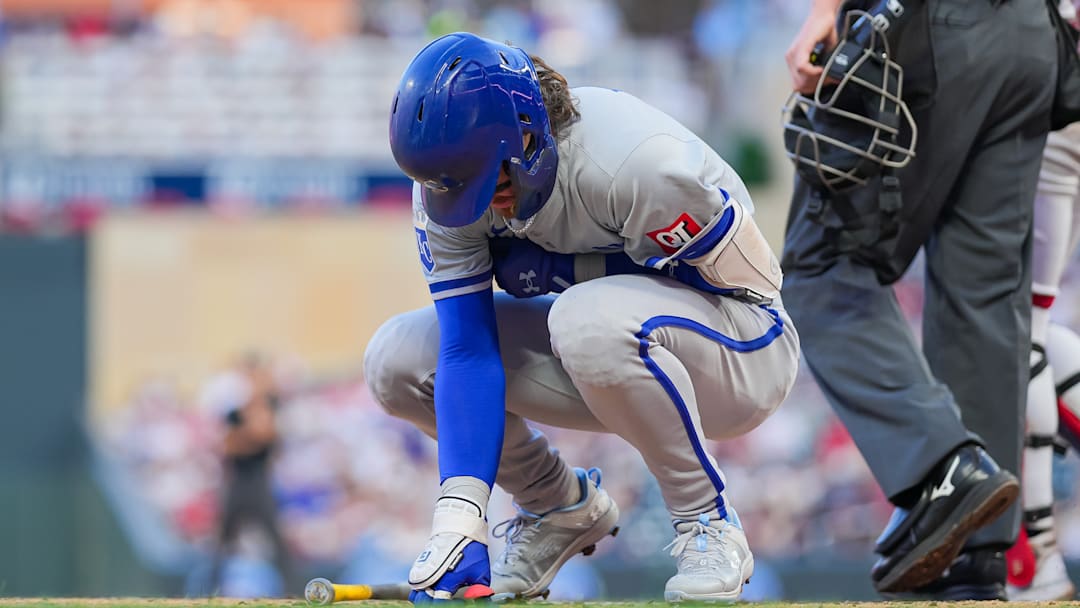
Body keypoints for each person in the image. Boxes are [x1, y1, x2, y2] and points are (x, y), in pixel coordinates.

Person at [363, 31, 801, 603]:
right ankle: (555, 507)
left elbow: (753, 289)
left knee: (585, 319)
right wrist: (460, 520)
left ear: (527, 129)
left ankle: (708, 524)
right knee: (395, 360)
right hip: (604, 350)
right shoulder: (449, 189)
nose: (467, 199)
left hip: (744, 351)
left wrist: (582, 267)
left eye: (480, 175)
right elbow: (466, 351)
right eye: (452, 185)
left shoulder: (639, 165)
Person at [781, 0, 1058, 600]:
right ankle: (975, 555)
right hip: (1033, 40)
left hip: (925, 28)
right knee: (984, 294)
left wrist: (823, 11)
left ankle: (943, 471)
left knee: (821, 266)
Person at [205, 354, 293, 596]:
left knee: (275, 540)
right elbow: (229, 445)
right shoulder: (234, 409)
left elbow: (265, 436)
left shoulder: (269, 405)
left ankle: (292, 591)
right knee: (223, 540)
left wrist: (250, 426)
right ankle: (209, 590)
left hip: (258, 479)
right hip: (238, 479)